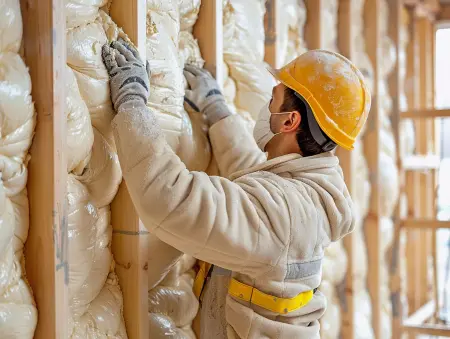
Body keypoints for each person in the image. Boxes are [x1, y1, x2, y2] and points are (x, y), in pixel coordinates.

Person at [101, 39, 370, 339]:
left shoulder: (285, 214)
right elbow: (254, 175)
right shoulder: (309, 192)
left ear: (290, 121)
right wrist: (216, 110)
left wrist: (132, 102)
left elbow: (172, 199)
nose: (266, 108)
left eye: (273, 100)